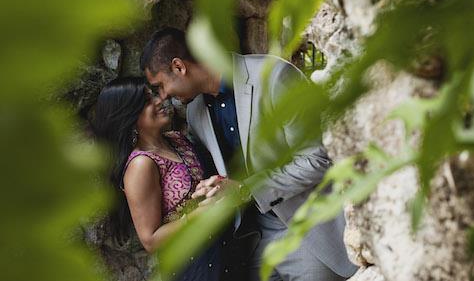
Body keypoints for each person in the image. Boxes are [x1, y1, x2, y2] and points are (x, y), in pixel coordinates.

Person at [140, 27, 357, 281]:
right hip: (248, 247)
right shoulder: (194, 113)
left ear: (179, 67)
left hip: (305, 233)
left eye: (160, 85)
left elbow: (318, 159)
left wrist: (246, 190)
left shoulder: (274, 75)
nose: (163, 97)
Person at [93, 77, 229, 281]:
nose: (158, 100)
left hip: (222, 248)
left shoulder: (176, 139)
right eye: (147, 101)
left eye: (153, 95)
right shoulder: (141, 165)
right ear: (129, 116)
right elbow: (150, 240)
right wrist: (201, 212)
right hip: (193, 264)